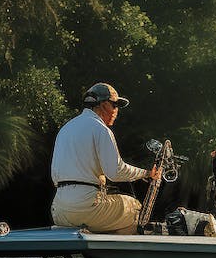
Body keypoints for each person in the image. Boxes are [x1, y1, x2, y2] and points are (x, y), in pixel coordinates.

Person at [50, 82, 159, 234]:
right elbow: (115, 172)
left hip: (59, 211)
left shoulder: (66, 129)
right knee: (134, 207)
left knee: (108, 209)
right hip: (86, 209)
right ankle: (119, 254)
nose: (116, 111)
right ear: (103, 104)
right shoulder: (101, 129)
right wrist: (146, 174)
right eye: (115, 105)